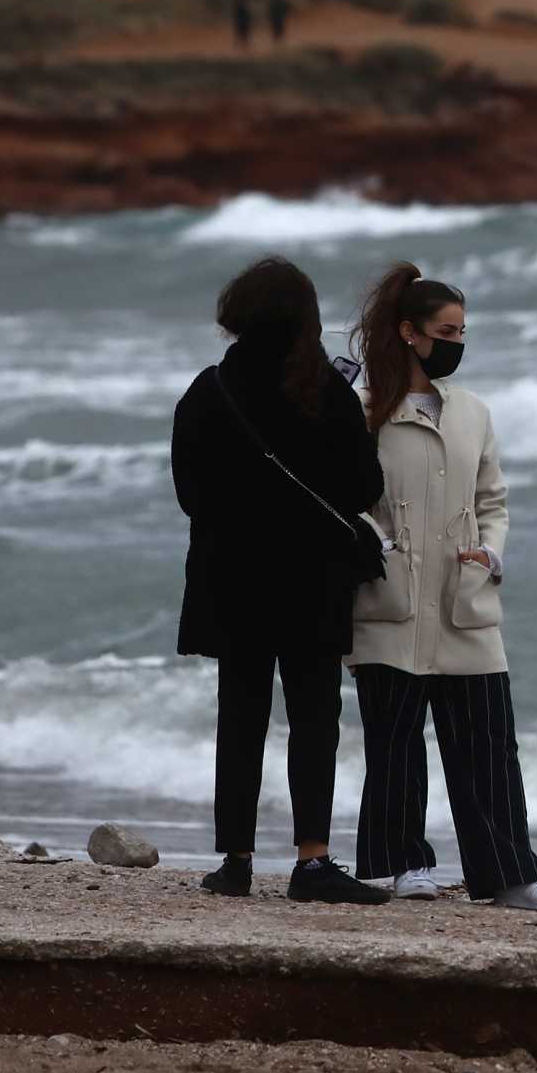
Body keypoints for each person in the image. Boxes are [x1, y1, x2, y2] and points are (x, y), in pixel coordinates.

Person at [347, 263, 537, 912]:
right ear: (409, 333)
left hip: (465, 603)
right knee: (393, 743)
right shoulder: (363, 412)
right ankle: (403, 864)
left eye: (463, 330)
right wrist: (375, 543)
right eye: (446, 330)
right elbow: (342, 495)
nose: (457, 341)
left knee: (489, 744)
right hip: (388, 600)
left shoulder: (473, 412)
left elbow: (494, 501)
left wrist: (492, 551)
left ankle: (510, 876)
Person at [171, 258, 392, 905]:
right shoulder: (326, 391)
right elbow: (363, 488)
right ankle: (313, 861)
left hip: (234, 580)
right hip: (312, 580)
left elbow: (191, 495)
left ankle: (235, 861)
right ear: (304, 318)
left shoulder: (210, 391)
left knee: (240, 715)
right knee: (314, 719)